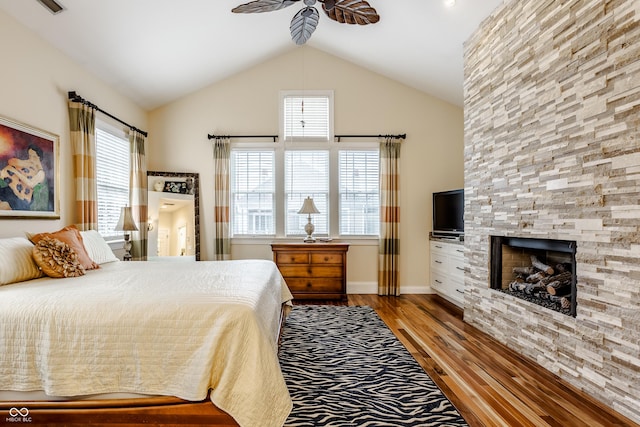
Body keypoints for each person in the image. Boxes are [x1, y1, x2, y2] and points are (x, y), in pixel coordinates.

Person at [0, 145, 49, 211]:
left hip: (23, 198)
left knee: (4, 205)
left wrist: (15, 171)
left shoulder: (41, 173)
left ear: (39, 157)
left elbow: (30, 183)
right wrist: (26, 164)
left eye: (33, 156)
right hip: (12, 189)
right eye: (30, 156)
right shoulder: (29, 163)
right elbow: (11, 161)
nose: (31, 158)